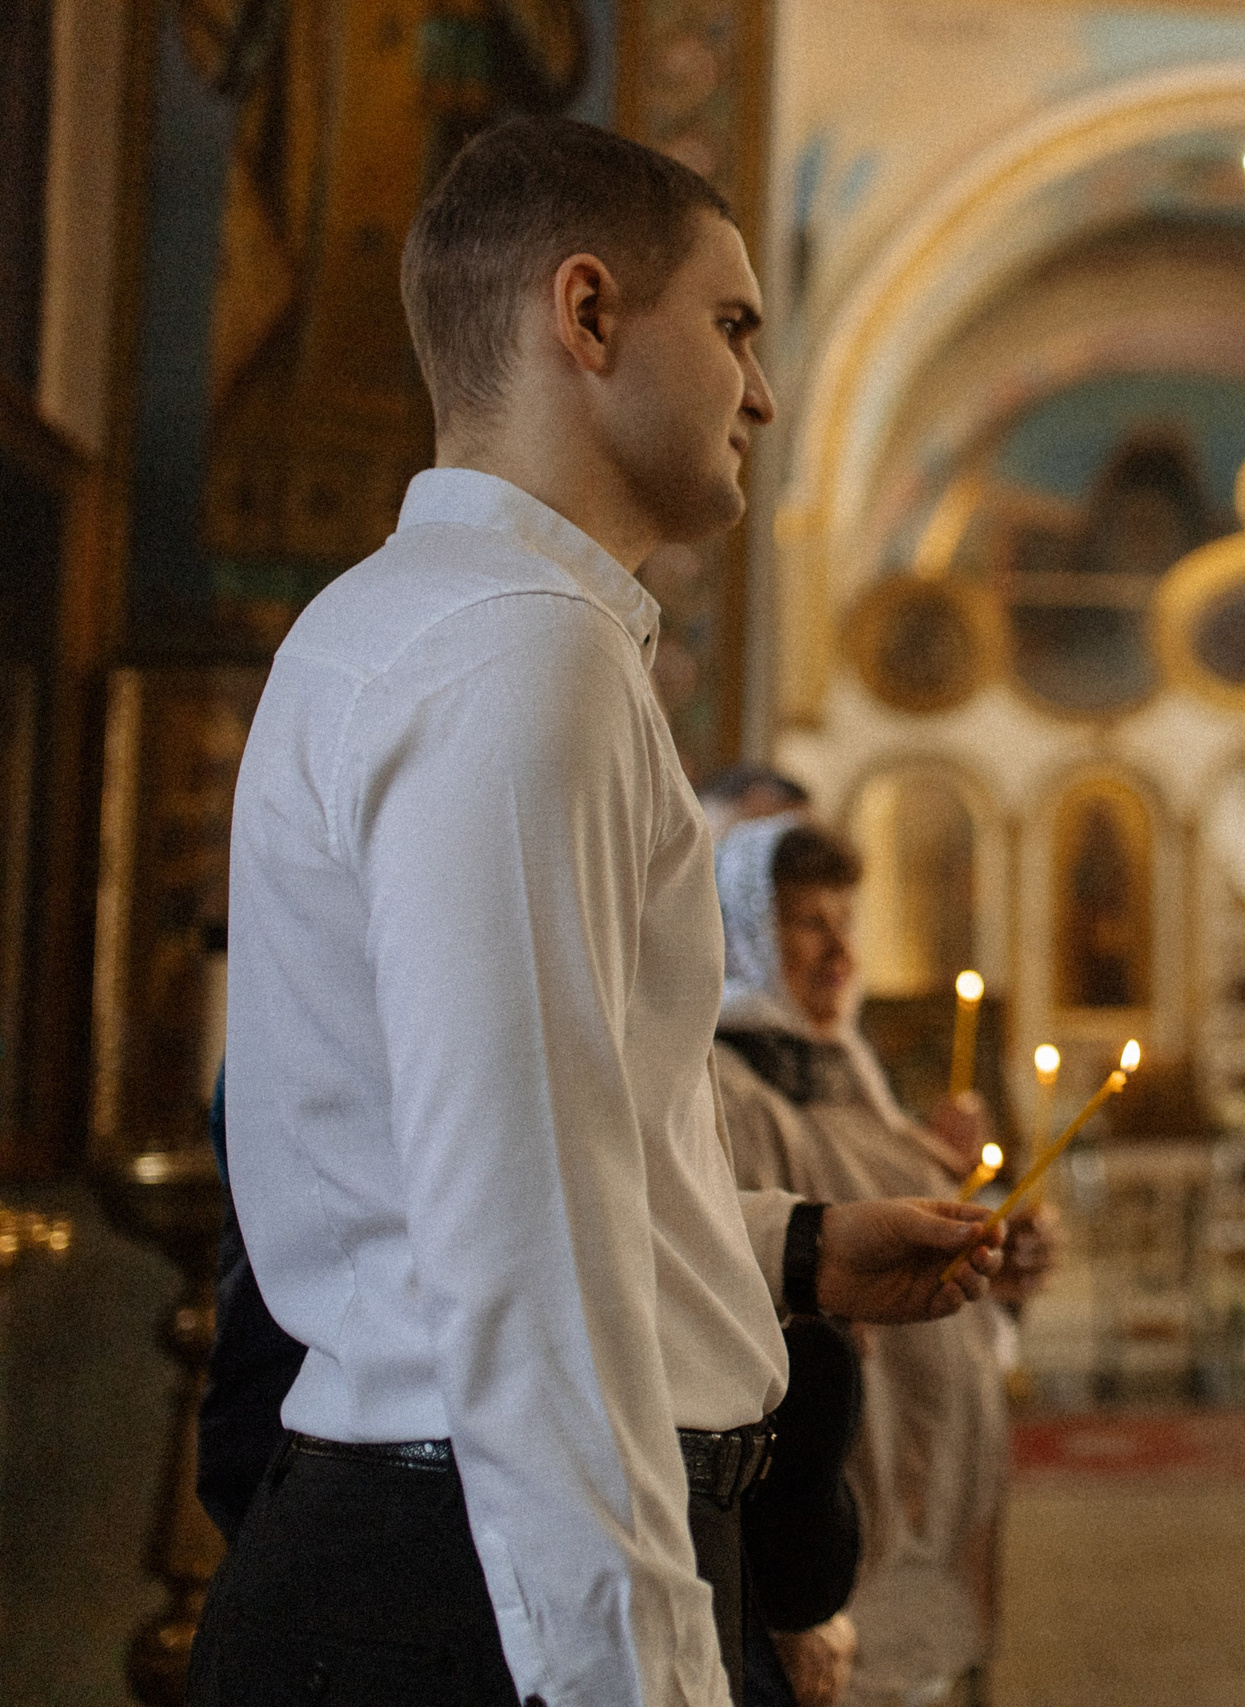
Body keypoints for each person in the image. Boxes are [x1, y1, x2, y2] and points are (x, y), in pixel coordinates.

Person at [201, 116, 1001, 1707]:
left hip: (448, 1541)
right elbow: (523, 1252)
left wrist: (791, 1246)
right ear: (586, 316)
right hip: (495, 1582)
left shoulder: (413, 623)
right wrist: (640, 1674)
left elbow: (500, 1173)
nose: (760, 391)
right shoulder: (520, 657)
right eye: (733, 327)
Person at [712, 815, 1053, 1707]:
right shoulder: (725, 1082)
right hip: (830, 1508)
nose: (837, 951)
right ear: (744, 927)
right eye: (807, 923)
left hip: (923, 1486)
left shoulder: (849, 1066)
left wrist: (998, 1257)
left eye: (845, 921)